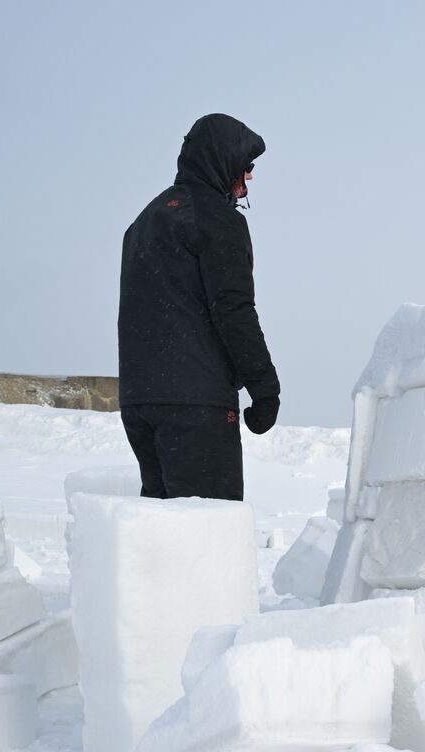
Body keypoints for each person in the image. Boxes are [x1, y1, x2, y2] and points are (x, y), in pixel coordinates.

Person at [117, 113, 280, 501]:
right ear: (223, 162)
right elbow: (234, 309)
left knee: (162, 542)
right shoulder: (217, 219)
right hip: (196, 406)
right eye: (248, 166)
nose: (251, 177)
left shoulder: (144, 221)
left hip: (140, 402)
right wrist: (265, 388)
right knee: (208, 538)